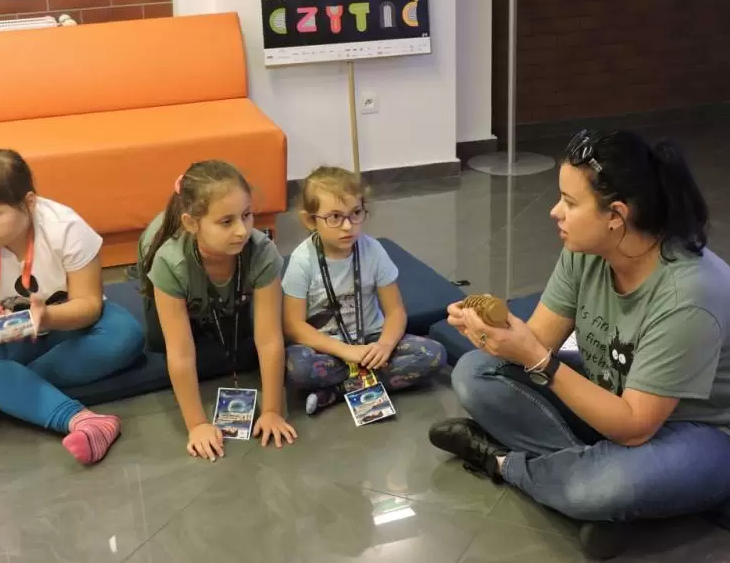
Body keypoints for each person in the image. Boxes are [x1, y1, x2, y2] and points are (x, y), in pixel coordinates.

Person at [428, 130, 730, 559]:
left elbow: (634, 426)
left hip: (701, 431)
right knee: (475, 372)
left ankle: (504, 463)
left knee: (606, 486)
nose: (555, 211)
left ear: (616, 215)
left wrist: (538, 359)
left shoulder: (690, 294)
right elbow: (538, 341)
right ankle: (595, 492)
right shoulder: (585, 250)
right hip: (616, 395)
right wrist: (493, 333)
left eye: (570, 203)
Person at [0, 149, 144, 465]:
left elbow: (89, 306)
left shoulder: (67, 227)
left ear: (29, 203)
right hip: (12, 333)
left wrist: (47, 316)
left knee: (125, 335)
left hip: (67, 325)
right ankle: (84, 421)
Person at [138, 160, 297, 461]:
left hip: (222, 283)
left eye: (247, 215)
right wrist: (197, 424)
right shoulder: (169, 262)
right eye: (226, 222)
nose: (242, 230)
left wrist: (272, 411)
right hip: (168, 275)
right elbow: (180, 353)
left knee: (239, 328)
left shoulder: (261, 250)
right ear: (191, 224)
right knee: (160, 342)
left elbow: (269, 339)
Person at [282, 166, 445, 415]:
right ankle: (364, 379)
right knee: (297, 368)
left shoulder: (373, 250)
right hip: (327, 348)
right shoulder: (302, 260)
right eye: (335, 217)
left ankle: (337, 391)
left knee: (434, 355)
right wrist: (346, 351)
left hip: (371, 340)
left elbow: (395, 311)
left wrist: (385, 346)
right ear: (310, 220)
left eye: (356, 213)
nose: (348, 226)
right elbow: (293, 326)